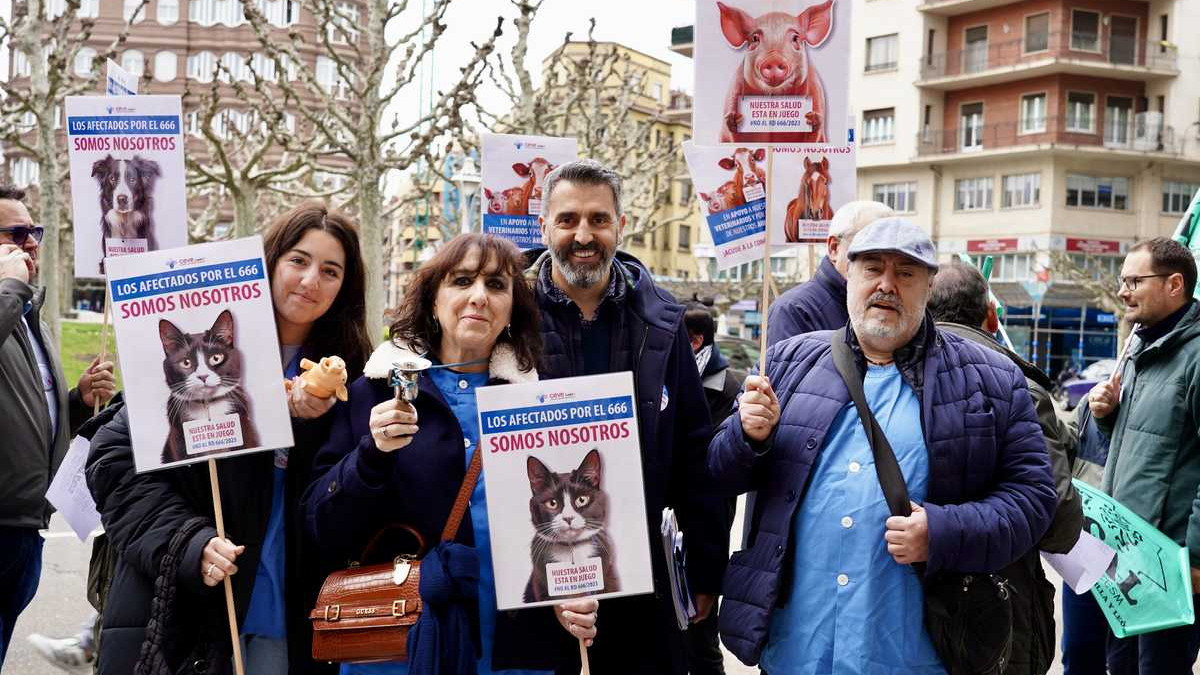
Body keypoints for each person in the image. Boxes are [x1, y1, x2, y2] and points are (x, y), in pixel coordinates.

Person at [710, 217, 1056, 673]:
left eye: (905, 273)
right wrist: (747, 436)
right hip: (800, 650)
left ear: (928, 286)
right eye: (872, 269)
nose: (886, 286)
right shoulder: (787, 361)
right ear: (848, 276)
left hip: (917, 654)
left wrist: (943, 532)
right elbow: (720, 472)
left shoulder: (991, 378)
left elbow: (1032, 500)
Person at [87, 201, 371, 675]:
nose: (310, 281)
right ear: (271, 260)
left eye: (330, 271)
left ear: (345, 288)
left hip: (292, 615)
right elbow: (113, 463)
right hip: (190, 614)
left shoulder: (355, 380)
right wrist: (187, 541)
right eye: (298, 261)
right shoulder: (199, 351)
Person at [304, 232, 563, 675]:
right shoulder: (371, 393)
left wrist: (577, 594)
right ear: (432, 300)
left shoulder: (543, 403)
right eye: (462, 281)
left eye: (496, 285)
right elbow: (320, 526)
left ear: (512, 310)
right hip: (395, 645)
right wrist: (371, 456)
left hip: (514, 648)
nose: (479, 296)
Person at [526, 159, 730, 675]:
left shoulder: (663, 322)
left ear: (620, 225)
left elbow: (694, 452)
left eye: (599, 219)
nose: (584, 235)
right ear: (544, 225)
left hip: (642, 580)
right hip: (539, 583)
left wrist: (703, 572)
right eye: (568, 219)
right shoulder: (511, 315)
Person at [928, 259, 1084, 674]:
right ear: (993, 317)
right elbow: (1059, 524)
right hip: (999, 613)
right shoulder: (1021, 390)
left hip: (903, 607)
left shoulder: (887, 375)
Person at [1, 185, 116, 665]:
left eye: (36, 233)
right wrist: (8, 287)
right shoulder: (11, 302)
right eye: (16, 233)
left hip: (25, 525)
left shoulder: (28, 316)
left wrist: (77, 401)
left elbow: (32, 412)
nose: (31, 243)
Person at [1087, 237, 1200, 675]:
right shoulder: (1139, 347)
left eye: (1135, 280)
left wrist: (1194, 560)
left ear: (1175, 284)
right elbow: (1149, 442)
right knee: (1121, 666)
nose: (1123, 290)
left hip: (1170, 563)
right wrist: (1107, 417)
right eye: (1122, 280)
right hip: (1127, 559)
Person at [682, 300, 743, 675]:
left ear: (695, 341)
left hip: (703, 542)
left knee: (701, 649)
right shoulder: (670, 377)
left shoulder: (727, 390)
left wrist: (708, 576)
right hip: (667, 542)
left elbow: (714, 490)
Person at [766, 200, 894, 343]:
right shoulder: (794, 310)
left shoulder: (895, 302)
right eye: (870, 247)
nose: (886, 284)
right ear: (834, 248)